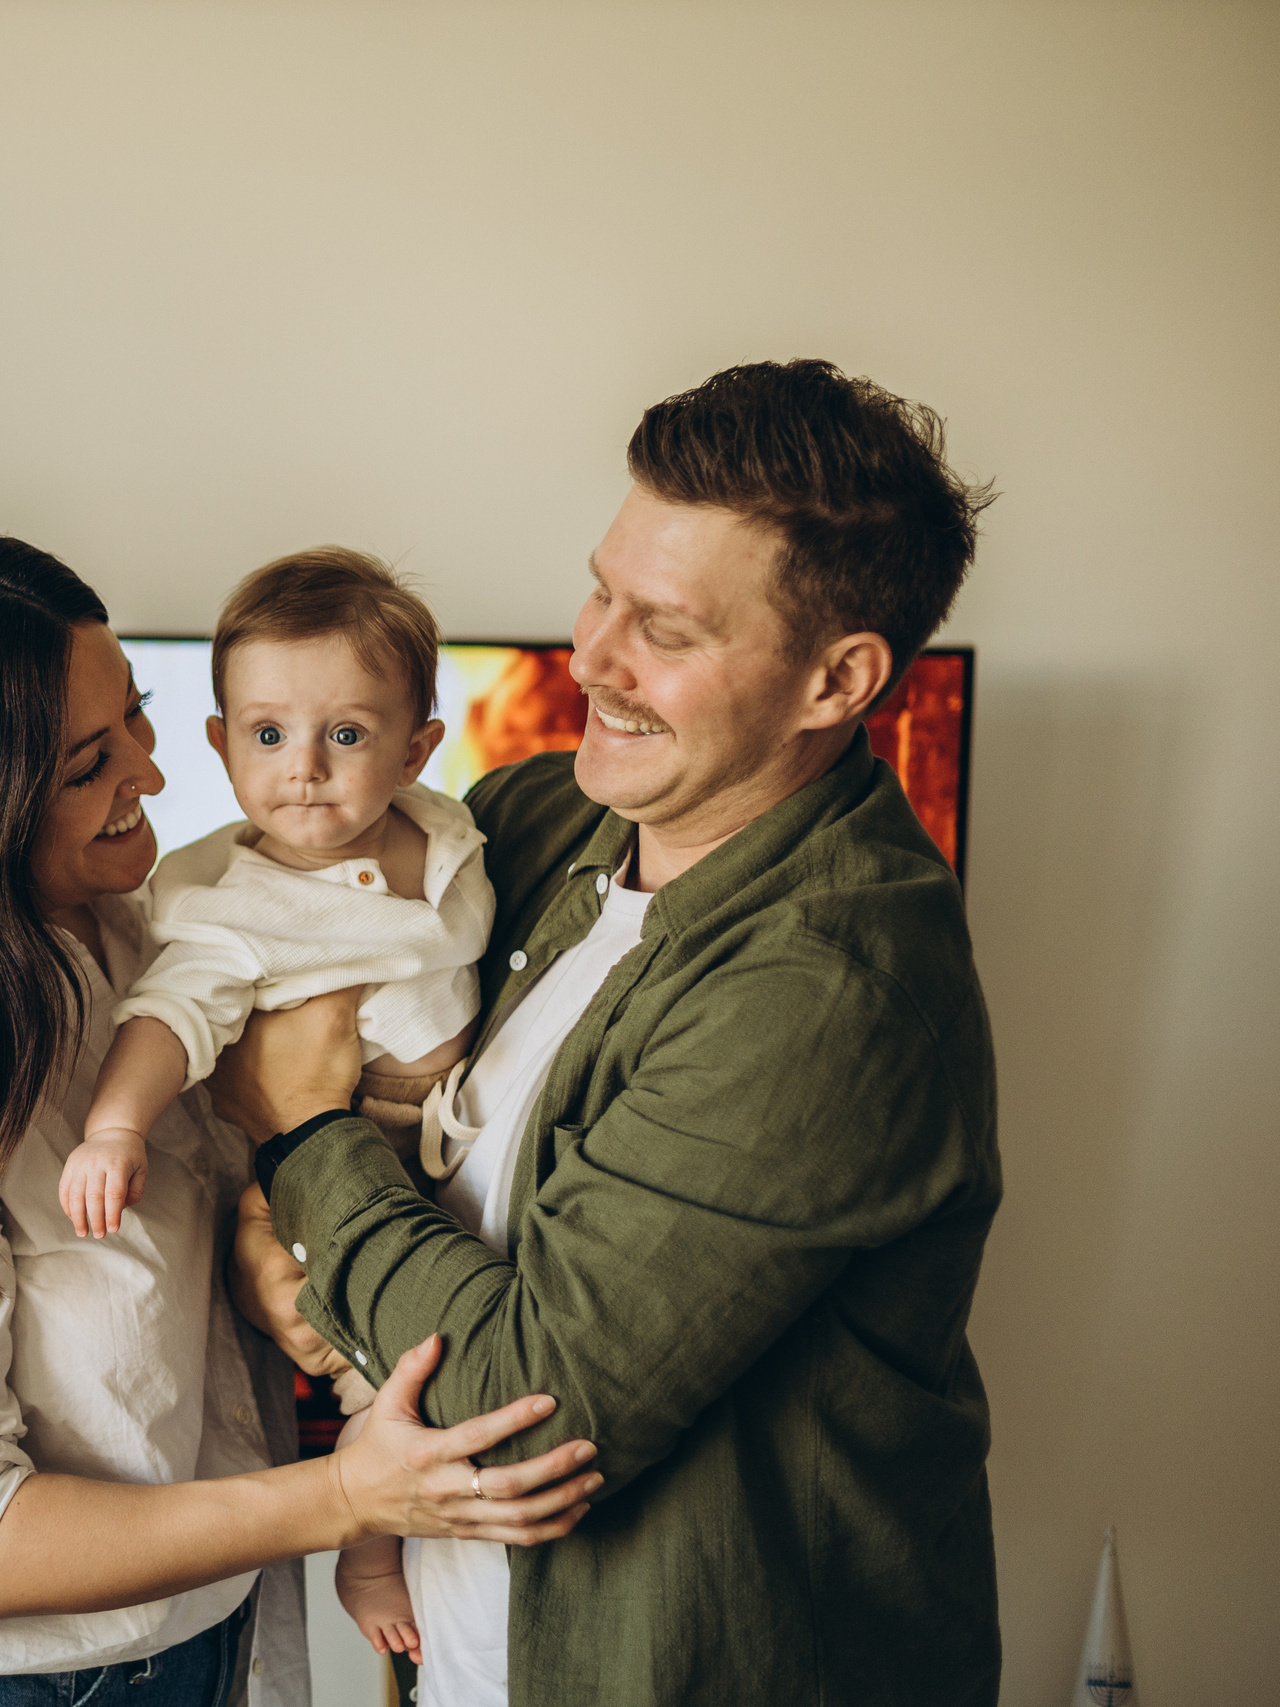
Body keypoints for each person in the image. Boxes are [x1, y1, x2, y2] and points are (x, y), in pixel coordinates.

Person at [0, 524, 603, 1707]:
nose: (158, 778)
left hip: (190, 1647)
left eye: (139, 714)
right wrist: (347, 1500)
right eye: (87, 764)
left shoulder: (138, 935)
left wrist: (253, 1256)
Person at [226, 360, 1004, 1707]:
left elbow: (525, 1403)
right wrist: (267, 1235)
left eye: (666, 626)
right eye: (602, 587)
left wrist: (300, 1140)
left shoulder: (828, 984)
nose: (590, 654)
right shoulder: (534, 822)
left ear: (838, 678)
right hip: (482, 1657)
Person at [58, 548, 493, 1248]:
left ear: (414, 753)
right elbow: (169, 1016)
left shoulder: (446, 825)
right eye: (268, 735)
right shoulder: (231, 905)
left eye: (346, 734)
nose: (305, 767)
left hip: (470, 1128)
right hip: (347, 1145)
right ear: (223, 745)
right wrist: (115, 1129)